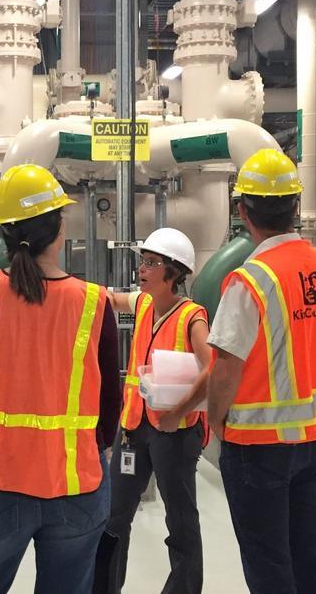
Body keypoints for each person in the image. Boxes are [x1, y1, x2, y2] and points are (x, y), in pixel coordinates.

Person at [0, 164, 122, 594]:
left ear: (3, 235)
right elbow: (111, 402)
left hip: (0, 481)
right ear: (60, 230)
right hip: (76, 483)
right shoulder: (92, 302)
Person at [207, 149, 316, 594]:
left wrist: (216, 420)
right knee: (310, 551)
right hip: (315, 438)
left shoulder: (249, 280)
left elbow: (226, 367)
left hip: (257, 445)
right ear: (296, 206)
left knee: (268, 559)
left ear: (242, 212)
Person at [94, 228, 212, 594]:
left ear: (173, 273)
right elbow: (110, 299)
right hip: (134, 429)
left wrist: (180, 411)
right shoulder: (143, 304)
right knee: (114, 517)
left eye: (151, 263)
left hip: (174, 435)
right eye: (142, 262)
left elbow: (214, 369)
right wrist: (67, 286)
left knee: (180, 522)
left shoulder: (192, 317)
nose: (142, 270)